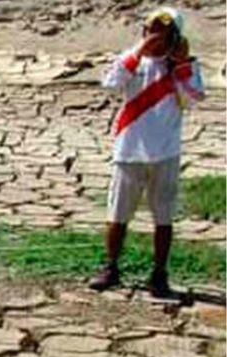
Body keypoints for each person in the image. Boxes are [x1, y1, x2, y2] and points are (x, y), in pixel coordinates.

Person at [89, 7, 204, 297]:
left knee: (163, 217)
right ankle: (111, 267)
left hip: (165, 153)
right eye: (151, 29)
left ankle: (159, 273)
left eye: (162, 32)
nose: (155, 37)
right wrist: (139, 50)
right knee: (117, 214)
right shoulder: (132, 60)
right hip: (129, 151)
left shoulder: (183, 66)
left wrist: (181, 65)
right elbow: (111, 84)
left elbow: (193, 99)